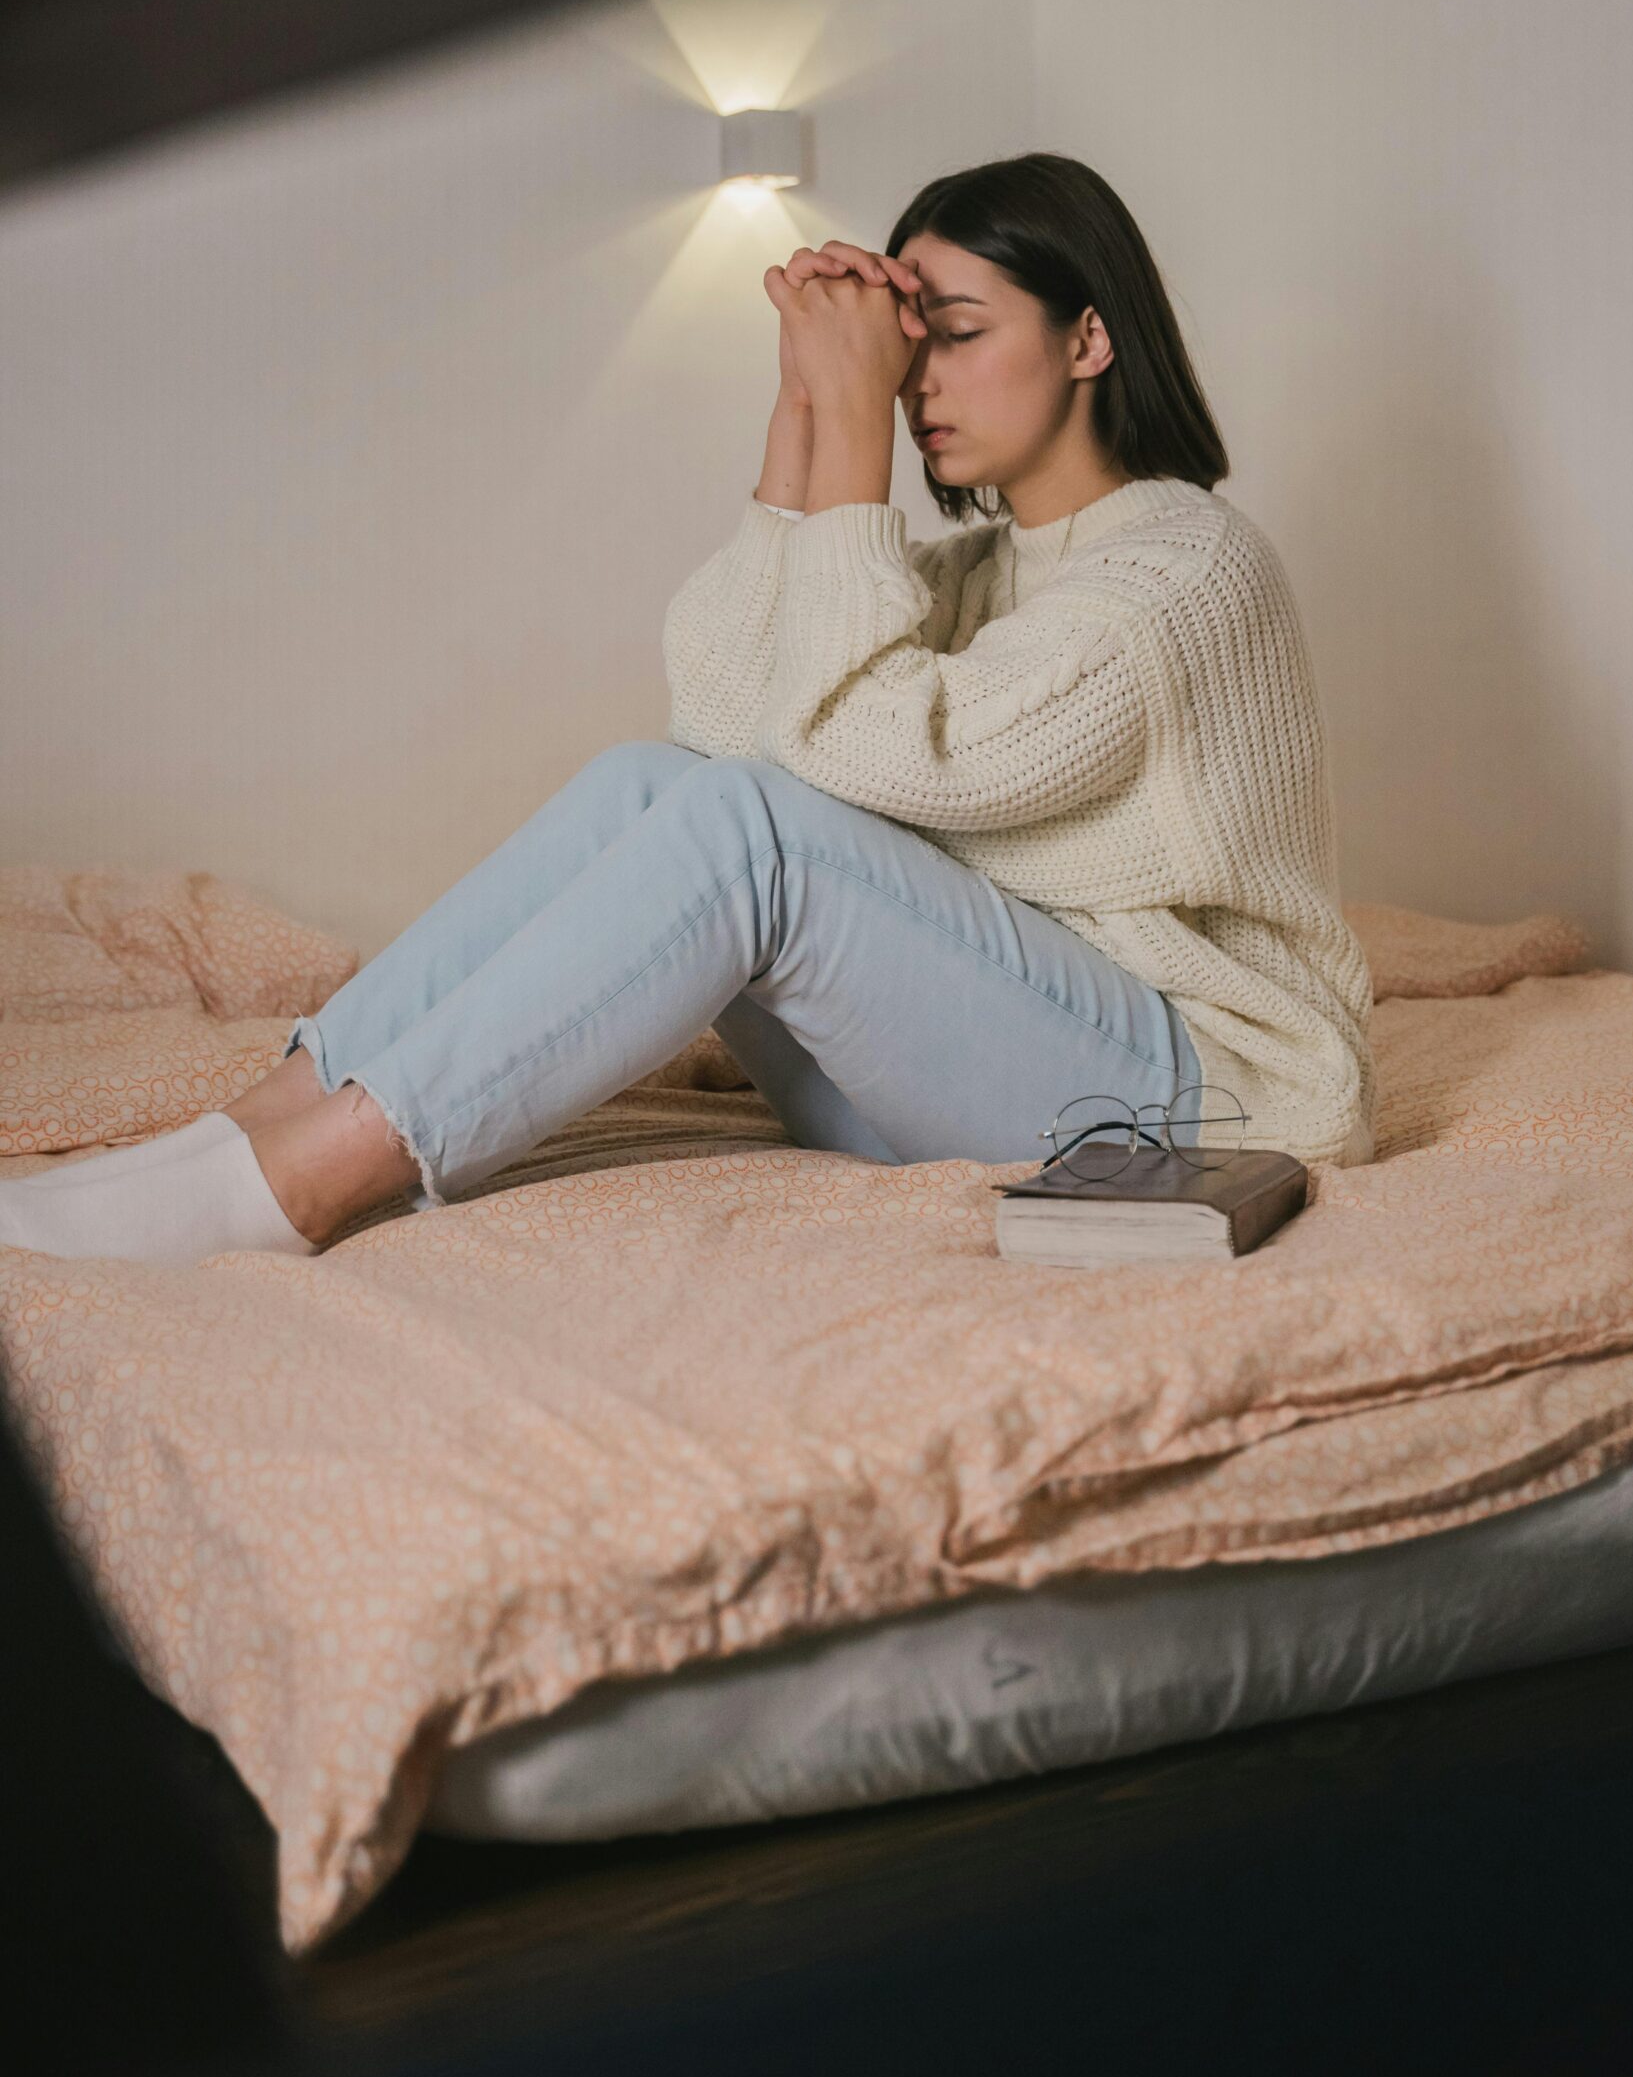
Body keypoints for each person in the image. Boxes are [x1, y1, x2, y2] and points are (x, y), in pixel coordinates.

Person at [0, 152, 1374, 1268]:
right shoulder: (975, 577)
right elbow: (724, 723)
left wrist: (853, 452)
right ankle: (253, 1127)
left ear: (1090, 337)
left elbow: (883, 753)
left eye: (955, 340)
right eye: (912, 356)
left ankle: (309, 1183)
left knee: (743, 829)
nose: (920, 389)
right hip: (985, 1084)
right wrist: (803, 410)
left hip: (1190, 1105)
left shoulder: (1186, 570)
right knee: (650, 782)